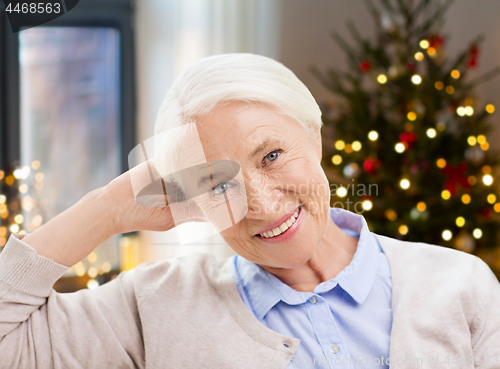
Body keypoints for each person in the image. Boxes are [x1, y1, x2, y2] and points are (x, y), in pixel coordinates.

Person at [0, 53, 499, 369]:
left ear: (315, 138)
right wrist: (107, 209)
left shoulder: (459, 283)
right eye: (217, 183)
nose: (261, 205)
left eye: (272, 156)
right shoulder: (154, 306)